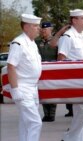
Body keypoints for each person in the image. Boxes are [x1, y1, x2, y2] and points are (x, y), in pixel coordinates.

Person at [57, 9, 83, 141]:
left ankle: (76, 139)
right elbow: (60, 60)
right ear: (74, 20)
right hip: (73, 81)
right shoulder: (67, 37)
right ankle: (68, 137)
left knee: (80, 113)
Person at [7, 13, 42, 141]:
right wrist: (15, 89)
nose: (39, 28)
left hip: (33, 88)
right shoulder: (18, 43)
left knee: (25, 123)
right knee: (35, 123)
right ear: (26, 27)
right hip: (23, 88)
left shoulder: (32, 44)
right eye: (35, 26)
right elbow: (11, 66)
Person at [35, 21, 57, 122]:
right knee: (43, 91)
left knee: (51, 92)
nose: (43, 31)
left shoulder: (56, 41)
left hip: (52, 70)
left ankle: (51, 114)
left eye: (45, 29)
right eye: (42, 29)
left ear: (50, 30)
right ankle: (46, 114)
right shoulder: (37, 42)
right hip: (41, 70)